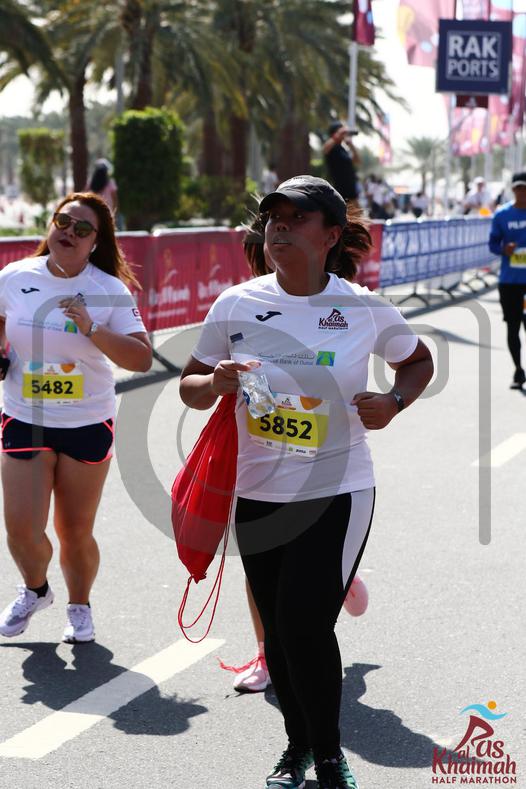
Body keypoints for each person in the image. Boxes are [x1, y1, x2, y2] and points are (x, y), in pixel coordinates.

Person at [180, 175, 434, 788]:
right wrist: (214, 383)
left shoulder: (363, 308)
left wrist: (394, 400)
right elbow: (189, 385)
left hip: (337, 489)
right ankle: (296, 749)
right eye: (275, 218)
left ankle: (329, 756)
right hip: (258, 493)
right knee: (278, 634)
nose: (281, 228)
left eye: (298, 219)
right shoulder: (236, 304)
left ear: (330, 236)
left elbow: (418, 360)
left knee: (303, 627)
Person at [0, 192, 152, 643]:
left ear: (95, 242)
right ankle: (36, 589)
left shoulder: (109, 290)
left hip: (86, 420)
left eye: (82, 229)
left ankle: (79, 605)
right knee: (21, 530)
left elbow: (141, 357)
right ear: (51, 224)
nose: (69, 232)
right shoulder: (15, 276)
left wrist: (91, 326)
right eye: (63, 222)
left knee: (74, 530)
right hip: (24, 414)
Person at [488, 171, 526, 389]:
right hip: (510, 282)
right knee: (513, 327)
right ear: (512, 190)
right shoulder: (502, 215)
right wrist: (504, 249)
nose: (522, 192)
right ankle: (518, 371)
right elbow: (492, 244)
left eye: (525, 188)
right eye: (518, 188)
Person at [323, 121, 361, 202]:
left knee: (356, 210)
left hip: (351, 193)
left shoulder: (343, 149)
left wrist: (351, 145)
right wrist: (341, 132)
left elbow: (357, 161)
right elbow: (325, 149)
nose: (344, 134)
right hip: (340, 193)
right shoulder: (331, 147)